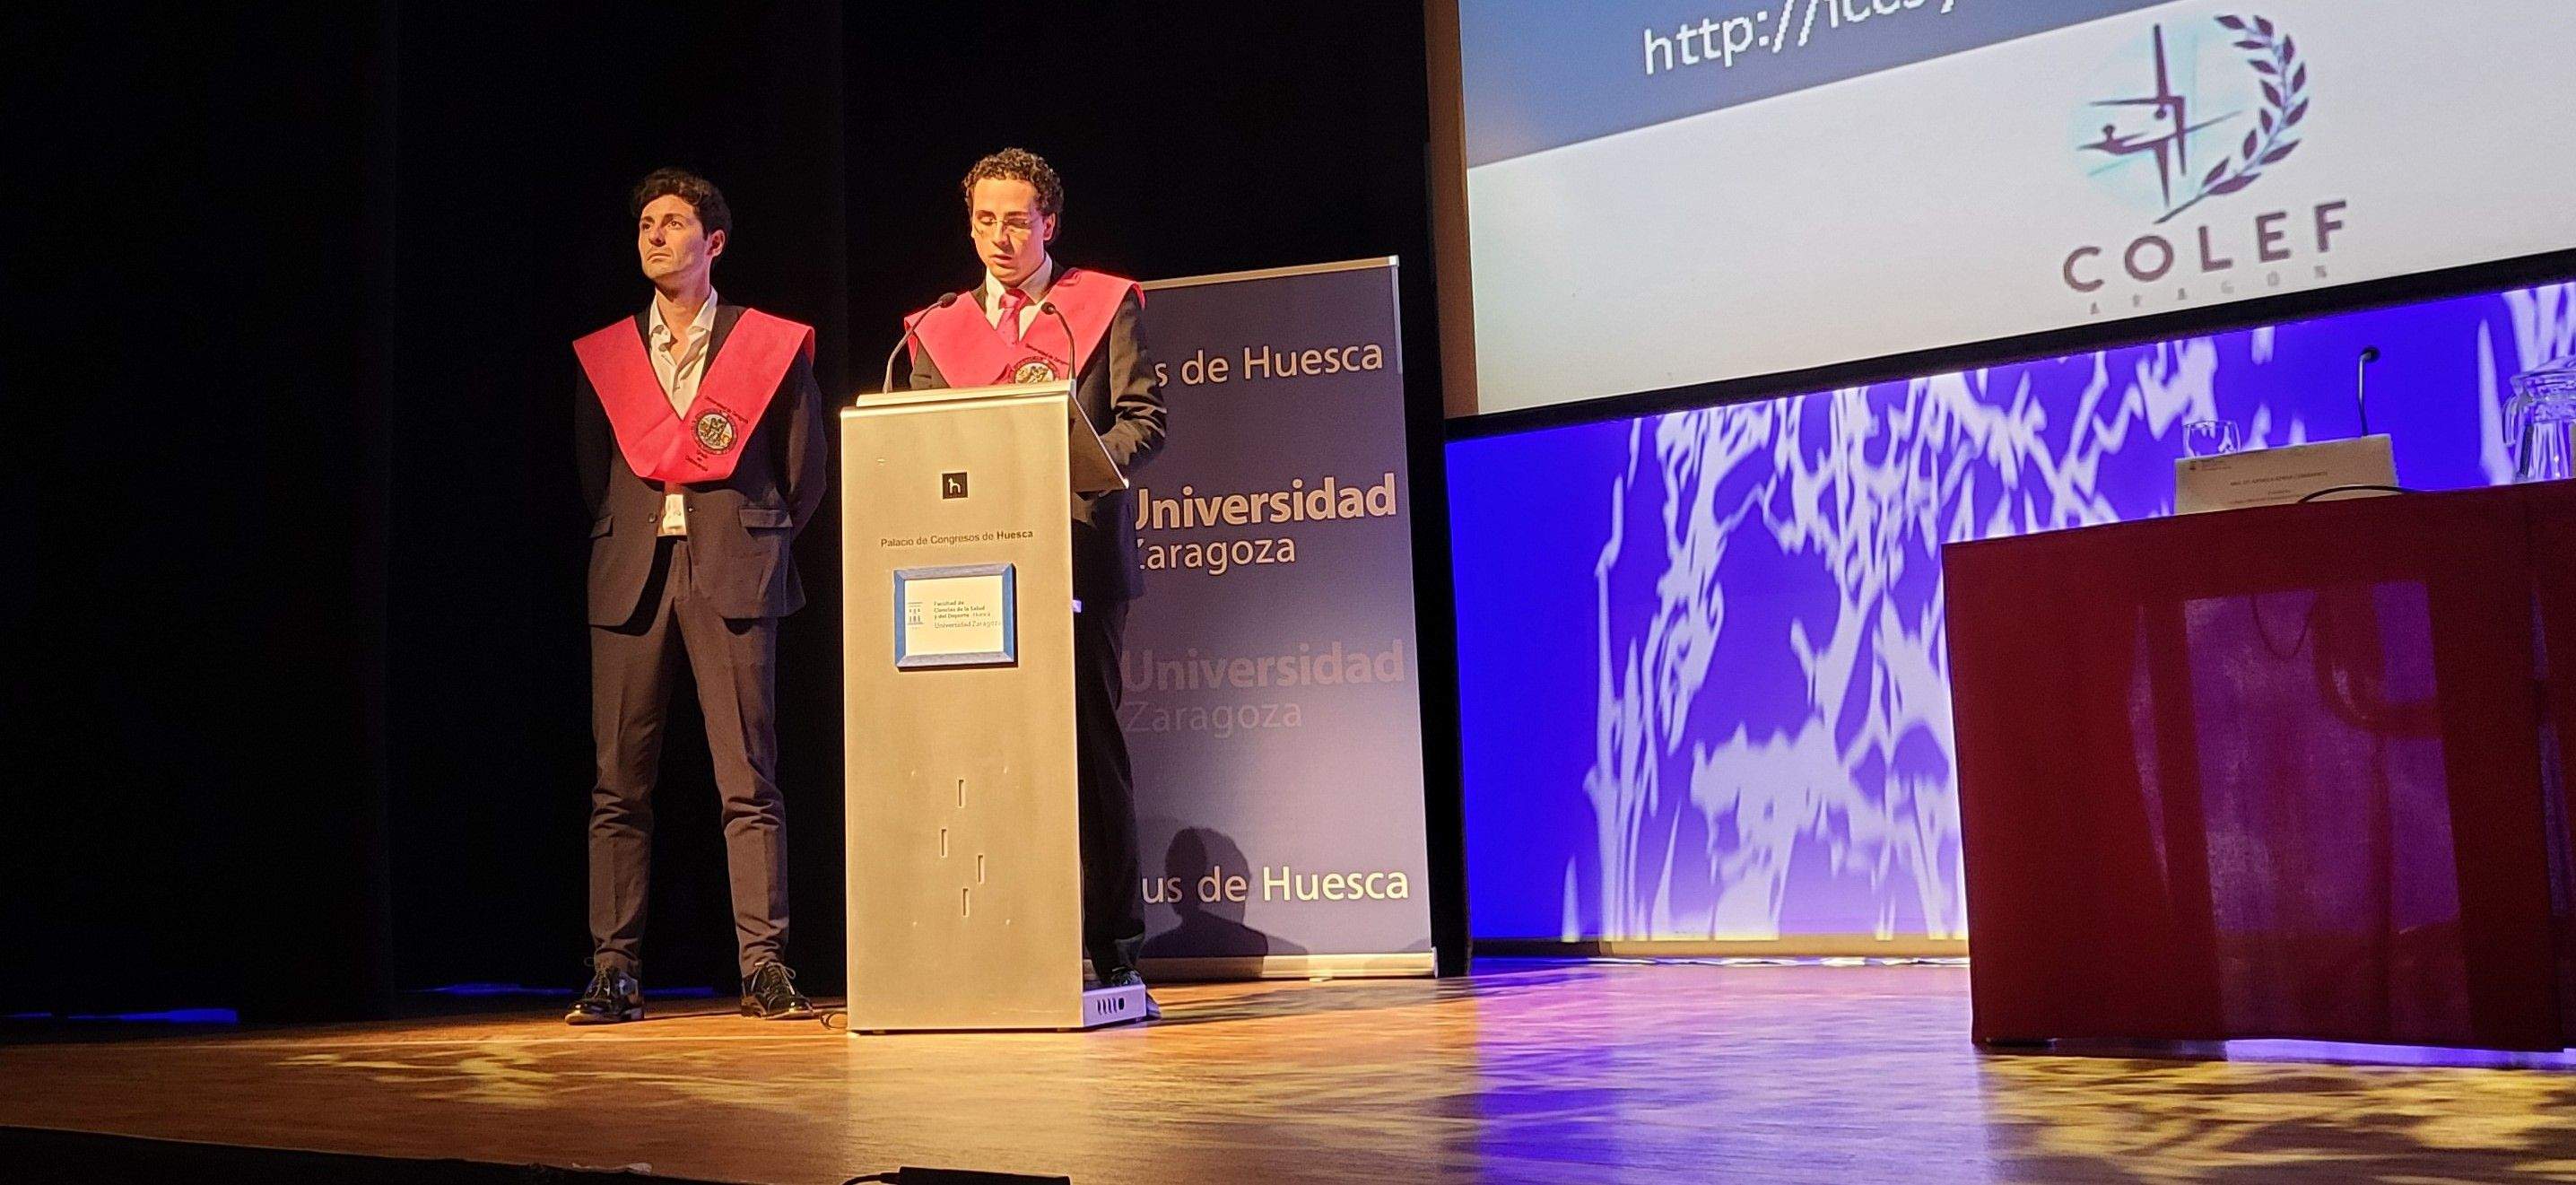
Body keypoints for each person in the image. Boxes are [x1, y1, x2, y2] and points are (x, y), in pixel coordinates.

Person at [905, 147, 1167, 1015]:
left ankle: (1115, 950)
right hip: (976, 566)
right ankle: (997, 939)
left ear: (1049, 222)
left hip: (1079, 552)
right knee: (983, 755)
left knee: (1090, 753)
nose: (1000, 236)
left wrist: (1075, 471)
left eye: (1017, 219)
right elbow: (919, 442)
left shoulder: (1099, 307)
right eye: (984, 219)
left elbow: (1143, 421)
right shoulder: (935, 330)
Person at [566, 168, 828, 1024]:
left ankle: (765, 968)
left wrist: (755, 537)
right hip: (632, 572)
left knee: (748, 780)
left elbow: (804, 471)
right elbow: (592, 472)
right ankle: (614, 972)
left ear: (713, 242)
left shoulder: (765, 345)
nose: (654, 235)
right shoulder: (609, 353)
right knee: (618, 786)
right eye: (645, 222)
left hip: (731, 567)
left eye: (673, 222)